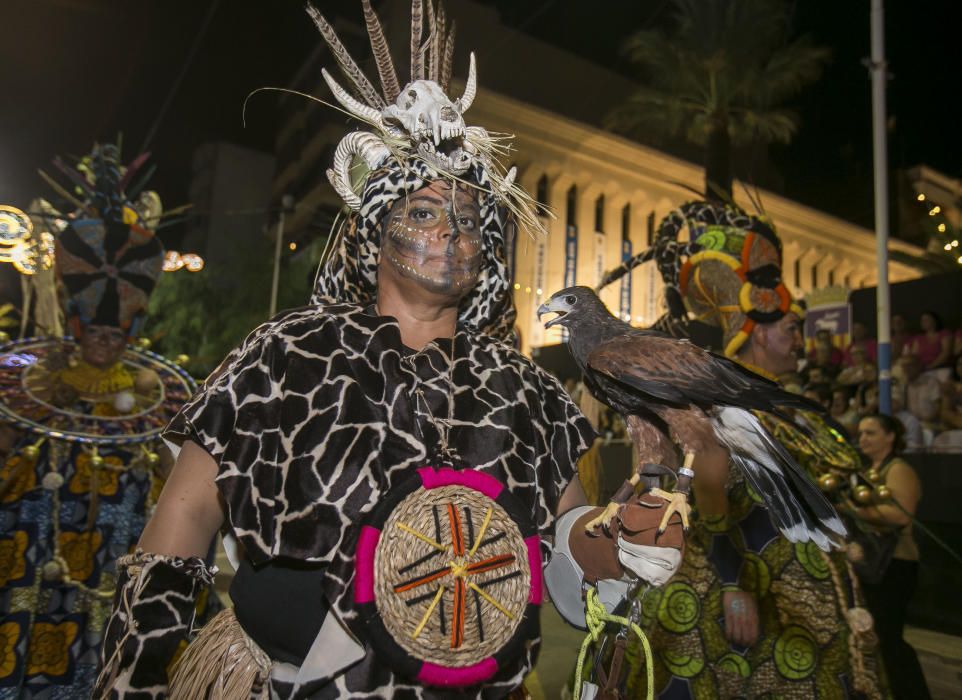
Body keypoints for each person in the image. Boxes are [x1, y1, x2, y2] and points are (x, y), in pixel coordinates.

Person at [94, 4, 595, 698]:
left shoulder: (525, 390)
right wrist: (137, 672)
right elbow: (187, 511)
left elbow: (570, 531)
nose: (452, 231)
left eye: (471, 219)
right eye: (423, 210)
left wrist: (620, 537)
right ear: (374, 230)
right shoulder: (287, 352)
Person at [602, 201, 887, 698]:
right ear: (755, 333)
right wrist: (735, 585)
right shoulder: (721, 404)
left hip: (802, 597)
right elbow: (709, 485)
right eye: (791, 329)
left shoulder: (790, 410)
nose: (801, 339)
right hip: (736, 589)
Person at [0, 145, 219, 699]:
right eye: (94, 331)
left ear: (131, 330)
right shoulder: (31, 390)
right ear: (75, 325)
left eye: (115, 333)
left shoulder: (158, 406)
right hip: (31, 564)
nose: (104, 340)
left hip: (109, 577)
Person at [850, 414, 931, 700]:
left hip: (895, 563)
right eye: (860, 434)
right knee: (876, 635)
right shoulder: (867, 470)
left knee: (888, 635)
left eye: (871, 433)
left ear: (891, 437)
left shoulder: (898, 469)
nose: (863, 439)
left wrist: (853, 510)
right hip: (871, 563)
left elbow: (899, 515)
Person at [897, 353, 943, 432]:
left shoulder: (931, 382)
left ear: (918, 366)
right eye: (903, 366)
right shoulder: (903, 385)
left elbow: (939, 406)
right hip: (911, 425)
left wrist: (927, 421)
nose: (906, 369)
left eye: (909, 365)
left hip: (931, 425)